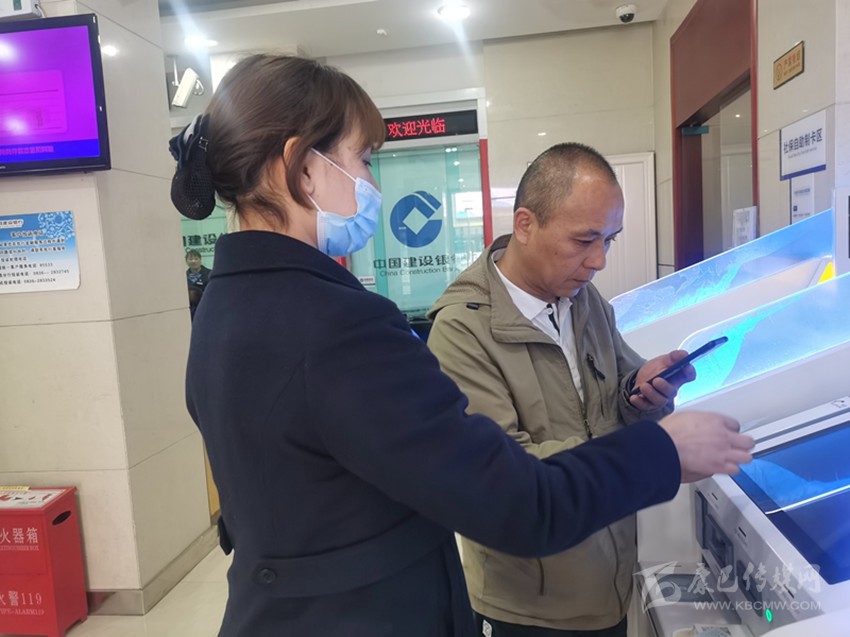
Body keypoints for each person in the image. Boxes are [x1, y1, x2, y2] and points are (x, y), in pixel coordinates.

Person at [168, 54, 753, 637]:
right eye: (363, 159)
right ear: (302, 167)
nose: (372, 185)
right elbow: (515, 500)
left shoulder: (224, 306)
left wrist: (635, 398)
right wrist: (662, 452)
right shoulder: (341, 326)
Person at [427, 142, 693, 637]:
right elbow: (504, 475)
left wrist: (641, 393)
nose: (599, 260)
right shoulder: (463, 330)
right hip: (528, 606)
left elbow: (612, 396)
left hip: (608, 581)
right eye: (584, 240)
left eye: (609, 240)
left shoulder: (585, 301)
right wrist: (654, 454)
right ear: (525, 224)